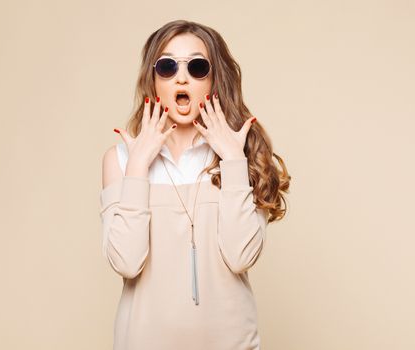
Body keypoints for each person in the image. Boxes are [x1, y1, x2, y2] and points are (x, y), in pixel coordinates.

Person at [99, 20, 290, 350]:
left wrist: (233, 161)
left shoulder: (242, 157)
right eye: (168, 66)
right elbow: (126, 262)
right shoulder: (120, 160)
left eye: (198, 67)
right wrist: (137, 168)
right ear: (153, 80)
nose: (182, 78)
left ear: (215, 80)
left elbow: (241, 256)